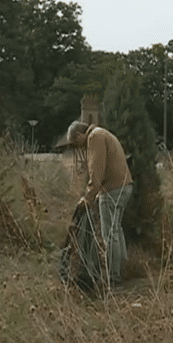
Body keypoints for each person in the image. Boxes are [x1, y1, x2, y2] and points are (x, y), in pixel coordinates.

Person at [56, 121, 133, 287]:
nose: (79, 148)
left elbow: (96, 171)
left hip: (112, 190)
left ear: (80, 134)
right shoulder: (102, 133)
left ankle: (114, 277)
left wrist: (88, 197)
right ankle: (123, 269)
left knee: (109, 233)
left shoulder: (94, 137)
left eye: (76, 143)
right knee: (116, 230)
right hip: (124, 187)